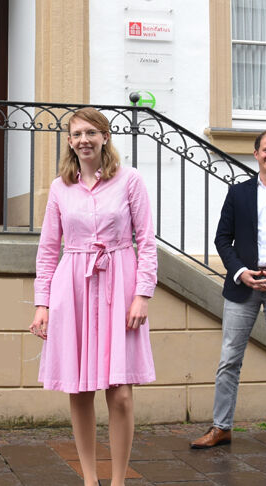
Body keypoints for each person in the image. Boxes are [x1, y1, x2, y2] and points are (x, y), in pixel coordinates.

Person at [29, 107, 157, 486]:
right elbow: (49, 249)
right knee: (79, 389)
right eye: (77, 134)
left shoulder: (129, 181)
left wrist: (143, 294)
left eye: (91, 133)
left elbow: (147, 242)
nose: (84, 140)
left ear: (105, 137)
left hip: (120, 284)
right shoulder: (59, 187)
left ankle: (117, 480)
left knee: (120, 395)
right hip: (73, 287)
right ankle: (89, 479)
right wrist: (42, 303)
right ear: (69, 142)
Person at [189, 130, 266, 460]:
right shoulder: (238, 193)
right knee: (229, 359)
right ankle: (221, 427)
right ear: (256, 154)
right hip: (241, 285)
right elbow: (222, 239)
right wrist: (240, 272)